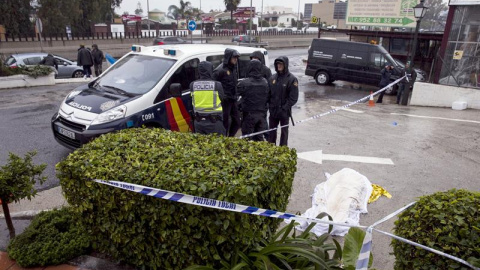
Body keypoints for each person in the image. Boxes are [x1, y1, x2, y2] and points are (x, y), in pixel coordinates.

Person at [268, 56, 299, 146]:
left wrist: (284, 107)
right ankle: (271, 147)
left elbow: (293, 98)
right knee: (272, 132)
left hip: (284, 112)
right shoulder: (272, 78)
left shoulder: (292, 79)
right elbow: (268, 94)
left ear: (285, 65)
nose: (279, 66)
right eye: (278, 64)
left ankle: (283, 149)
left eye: (281, 64)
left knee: (284, 133)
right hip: (273, 111)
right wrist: (270, 106)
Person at [190, 61, 226, 135]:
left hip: (199, 123)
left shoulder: (192, 85)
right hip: (214, 123)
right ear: (210, 70)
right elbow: (222, 99)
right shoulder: (217, 85)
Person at [238, 59, 269, 141]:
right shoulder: (265, 82)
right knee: (259, 137)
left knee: (246, 138)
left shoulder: (244, 83)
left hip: (249, 115)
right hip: (262, 115)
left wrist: (239, 105)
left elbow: (235, 96)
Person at [213, 48, 240, 137]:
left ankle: (230, 137)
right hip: (225, 101)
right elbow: (214, 85)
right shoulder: (220, 70)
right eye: (234, 57)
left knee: (237, 122)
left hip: (233, 99)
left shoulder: (233, 69)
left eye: (236, 57)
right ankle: (224, 139)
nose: (236, 59)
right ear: (229, 57)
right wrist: (221, 97)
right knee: (225, 122)